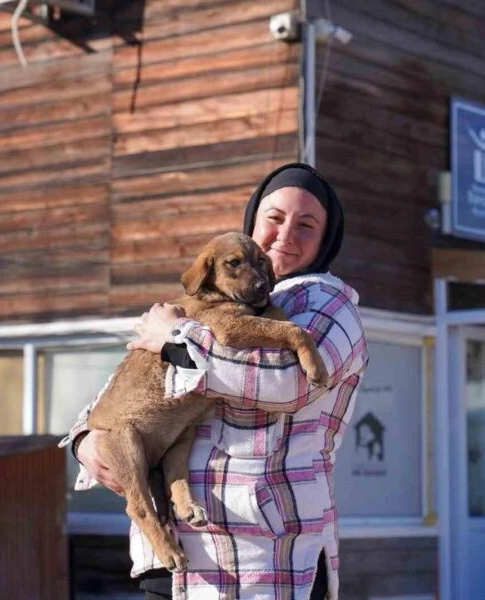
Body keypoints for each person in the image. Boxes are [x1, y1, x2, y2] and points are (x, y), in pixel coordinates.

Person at [63, 163, 369, 600]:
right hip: (175, 563)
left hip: (267, 561)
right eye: (275, 219)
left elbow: (290, 384)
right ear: (252, 225)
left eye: (306, 225)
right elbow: (120, 388)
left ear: (327, 238)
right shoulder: (218, 298)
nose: (285, 235)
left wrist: (172, 338)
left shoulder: (330, 303)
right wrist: (85, 440)